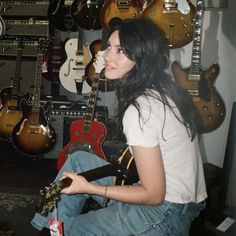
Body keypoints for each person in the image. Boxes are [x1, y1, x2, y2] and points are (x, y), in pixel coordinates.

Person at [31, 17, 207, 235]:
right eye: (109, 47)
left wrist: (90, 188)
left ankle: (61, 230)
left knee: (69, 228)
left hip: (166, 213)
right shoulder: (161, 89)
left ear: (141, 57)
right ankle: (49, 227)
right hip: (183, 200)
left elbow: (153, 195)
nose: (107, 56)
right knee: (77, 161)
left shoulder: (141, 109)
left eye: (120, 51)